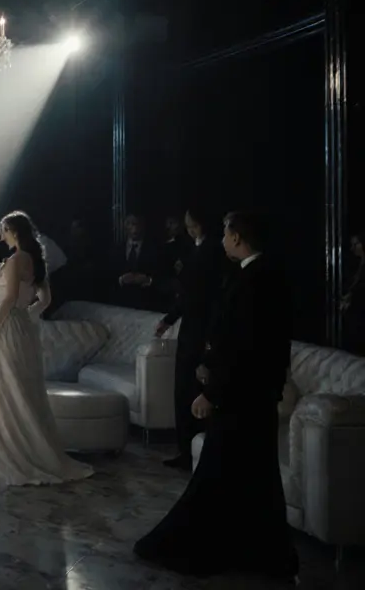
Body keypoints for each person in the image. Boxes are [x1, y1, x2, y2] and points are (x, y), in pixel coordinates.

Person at [135, 212, 297, 580]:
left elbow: (245, 345)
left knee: (221, 474)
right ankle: (262, 554)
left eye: (225, 233)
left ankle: (212, 549)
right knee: (256, 476)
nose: (221, 239)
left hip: (241, 398)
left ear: (238, 237)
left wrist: (212, 392)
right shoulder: (266, 275)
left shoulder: (253, 280)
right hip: (256, 396)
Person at [0, 212, 94, 486]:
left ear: (12, 230)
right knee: (20, 387)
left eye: (3, 228)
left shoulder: (15, 260)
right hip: (23, 329)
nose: (0, 232)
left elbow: (9, 298)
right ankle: (26, 446)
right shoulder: (34, 260)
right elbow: (46, 299)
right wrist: (27, 316)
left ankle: (13, 452)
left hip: (8, 329)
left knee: (7, 386)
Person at [155, 209, 227, 469]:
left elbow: (194, 294)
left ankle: (193, 452)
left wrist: (171, 317)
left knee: (192, 390)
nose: (188, 230)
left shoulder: (210, 253)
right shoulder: (197, 249)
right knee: (186, 391)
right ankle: (188, 451)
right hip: (193, 328)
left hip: (200, 331)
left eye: (192, 226)